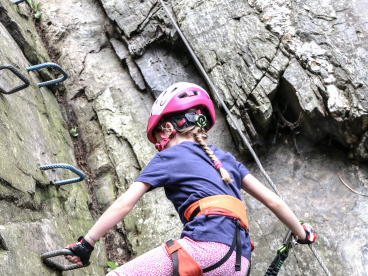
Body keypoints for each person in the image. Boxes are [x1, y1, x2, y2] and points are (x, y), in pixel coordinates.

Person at [65, 82, 317, 275]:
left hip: (205, 249)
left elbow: (124, 204)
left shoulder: (169, 157)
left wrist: (87, 243)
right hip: (240, 264)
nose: (159, 145)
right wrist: (302, 233)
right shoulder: (227, 160)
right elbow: (276, 203)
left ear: (167, 127)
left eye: (158, 136)